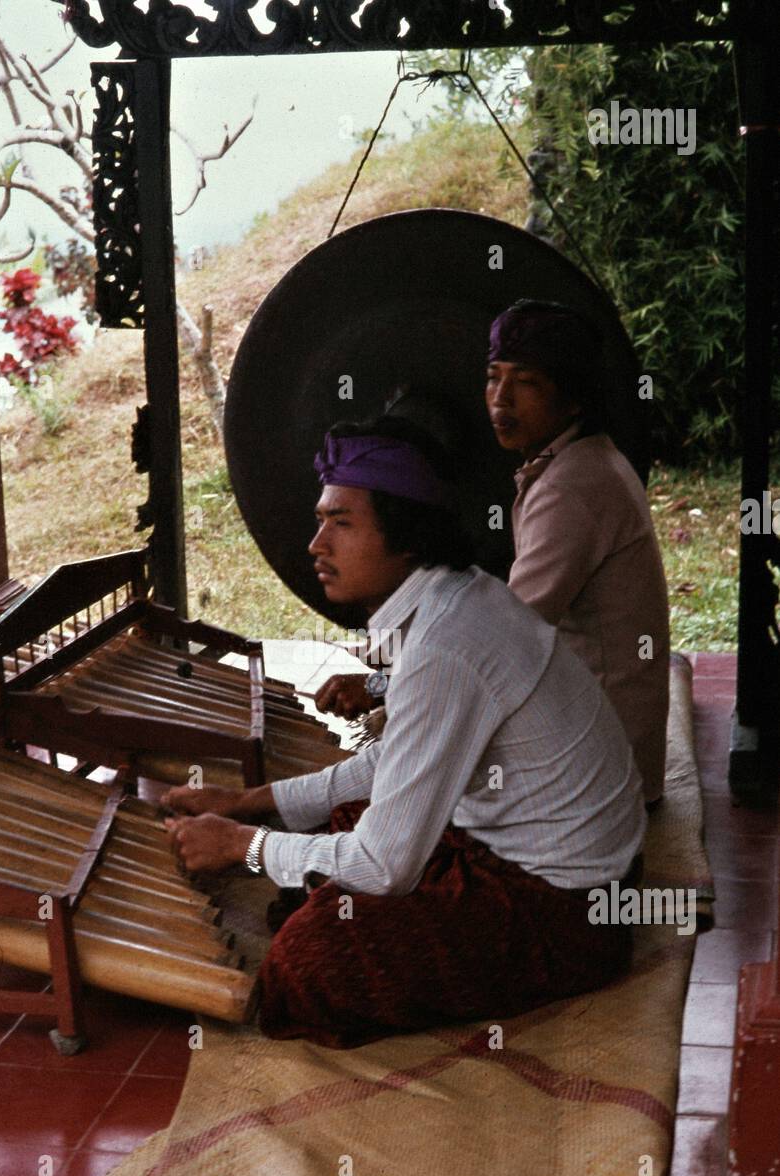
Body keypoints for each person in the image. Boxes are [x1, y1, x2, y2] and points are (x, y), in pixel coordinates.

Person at [162, 417, 646, 1049]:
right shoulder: (455, 597)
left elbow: (383, 866)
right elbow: (394, 759)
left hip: (572, 912)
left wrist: (244, 847)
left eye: (342, 523)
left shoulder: (446, 643)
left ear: (407, 536)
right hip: (561, 861)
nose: (316, 545)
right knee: (342, 821)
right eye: (320, 520)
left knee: (310, 963)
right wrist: (252, 804)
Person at [486, 298, 670, 804]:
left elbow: (510, 637)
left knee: (420, 788)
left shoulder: (571, 490)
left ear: (572, 400)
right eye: (493, 377)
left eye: (525, 382)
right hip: (608, 739)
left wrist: (391, 695)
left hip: (606, 775)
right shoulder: (581, 459)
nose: (500, 399)